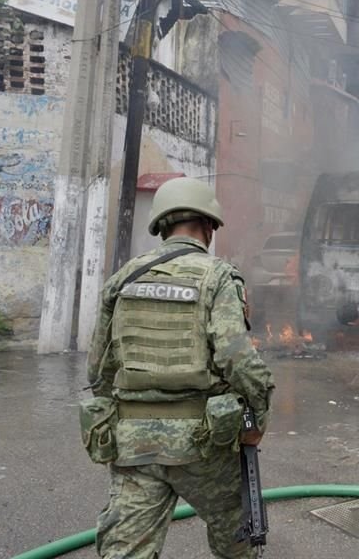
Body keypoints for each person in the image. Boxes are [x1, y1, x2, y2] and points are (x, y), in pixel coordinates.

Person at [85, 177, 275, 559]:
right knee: (235, 540)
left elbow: (99, 369)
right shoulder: (218, 276)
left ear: (161, 227)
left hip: (134, 444)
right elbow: (238, 360)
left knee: (125, 550)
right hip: (203, 444)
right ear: (208, 226)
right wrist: (258, 419)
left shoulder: (124, 278)